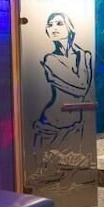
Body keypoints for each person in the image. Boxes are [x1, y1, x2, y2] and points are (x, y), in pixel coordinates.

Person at [32, 12, 93, 152]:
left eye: (59, 23)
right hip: (51, 127)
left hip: (75, 127)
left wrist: (82, 54)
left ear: (70, 28)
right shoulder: (50, 59)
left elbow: (85, 90)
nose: (53, 28)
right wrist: (83, 55)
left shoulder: (85, 55)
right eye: (50, 25)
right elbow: (82, 87)